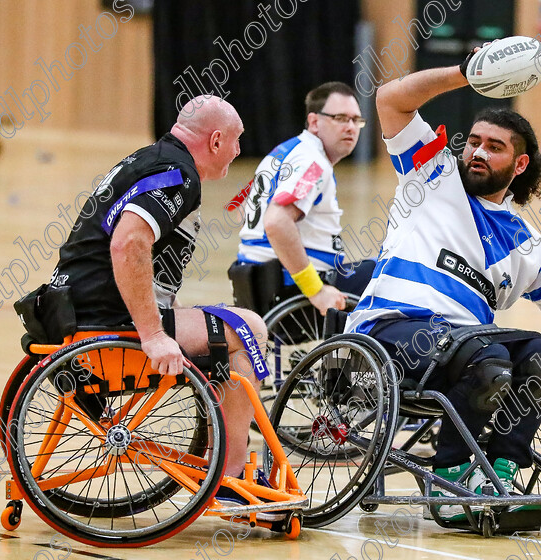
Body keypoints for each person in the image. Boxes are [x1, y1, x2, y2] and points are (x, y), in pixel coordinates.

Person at [344, 49, 541, 521]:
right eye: (473, 141)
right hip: (393, 329)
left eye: (494, 147)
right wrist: (464, 73)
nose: (477, 151)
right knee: (490, 361)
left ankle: (502, 471)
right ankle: (451, 478)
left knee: (540, 357)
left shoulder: (524, 238)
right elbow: (391, 100)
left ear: (518, 166)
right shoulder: (429, 175)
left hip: (462, 344)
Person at [39, 95, 266, 504]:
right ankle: (232, 477)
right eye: (236, 141)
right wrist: (153, 334)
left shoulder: (149, 158)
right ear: (215, 141)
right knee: (249, 327)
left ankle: (221, 448)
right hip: (103, 325)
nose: (237, 151)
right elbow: (128, 244)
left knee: (216, 318)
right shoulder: (178, 174)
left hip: (70, 312)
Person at [231, 82, 375, 316]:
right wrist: (316, 290)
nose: (350, 127)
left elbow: (247, 211)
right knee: (389, 272)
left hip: (255, 284)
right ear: (314, 122)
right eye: (340, 118)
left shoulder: (284, 151)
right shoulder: (312, 163)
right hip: (288, 290)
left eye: (356, 120)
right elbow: (276, 222)